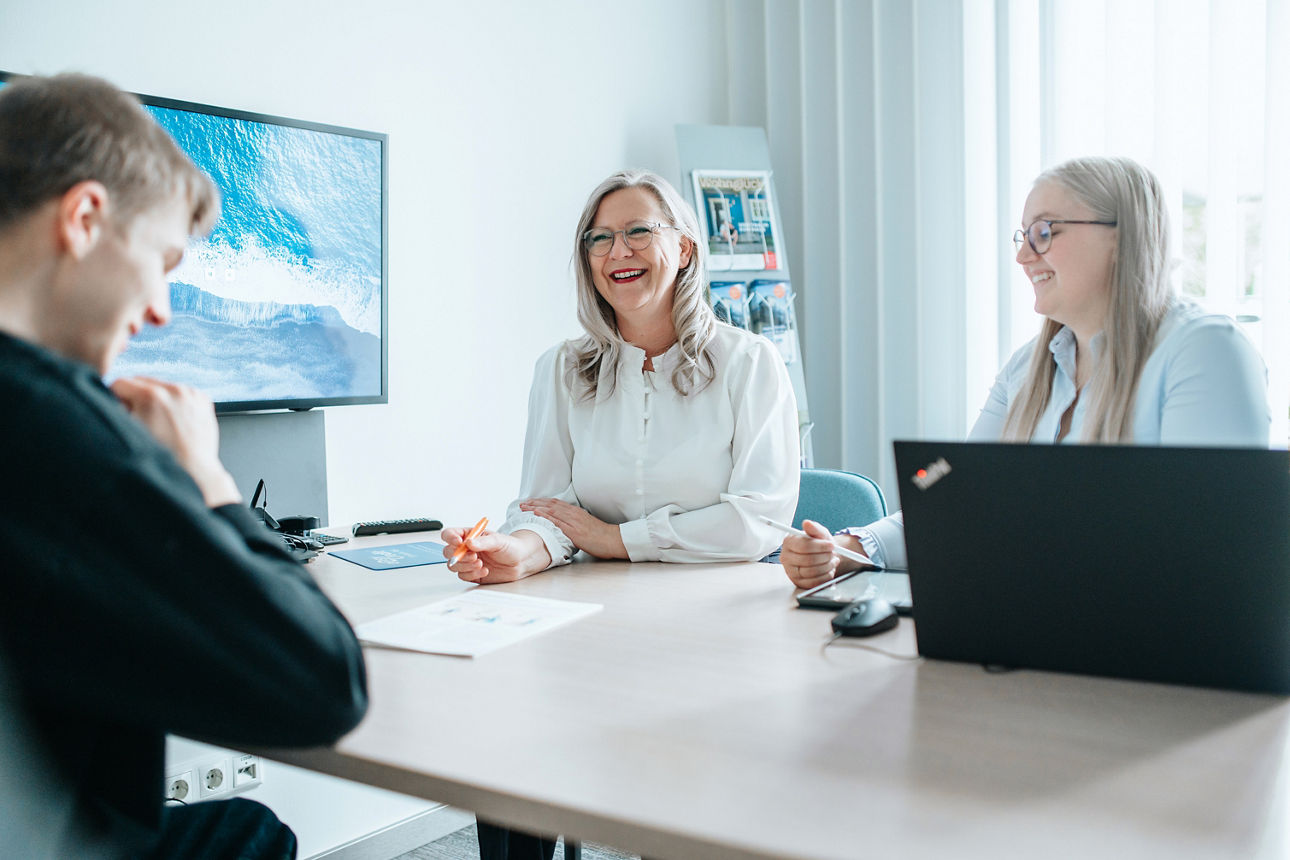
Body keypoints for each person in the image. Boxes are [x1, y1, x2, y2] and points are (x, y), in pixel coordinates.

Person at [0, 73, 367, 859]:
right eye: (164, 261)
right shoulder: (60, 436)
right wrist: (207, 477)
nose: (163, 307)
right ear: (86, 217)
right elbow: (324, 684)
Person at [442, 169, 800, 859]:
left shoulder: (750, 364)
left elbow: (758, 521)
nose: (617, 251)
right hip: (588, 628)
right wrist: (517, 549)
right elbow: (547, 506)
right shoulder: (560, 368)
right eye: (598, 238)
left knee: (681, 786)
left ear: (686, 249)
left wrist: (617, 541)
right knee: (506, 736)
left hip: (712, 636)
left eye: (638, 230)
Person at [780, 155, 1270, 588]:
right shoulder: (1025, 370)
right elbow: (952, 494)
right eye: (1023, 236)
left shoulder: (1204, 350)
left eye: (1043, 232)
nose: (1022, 256)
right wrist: (850, 549)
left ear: (1120, 238)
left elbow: (1209, 544)